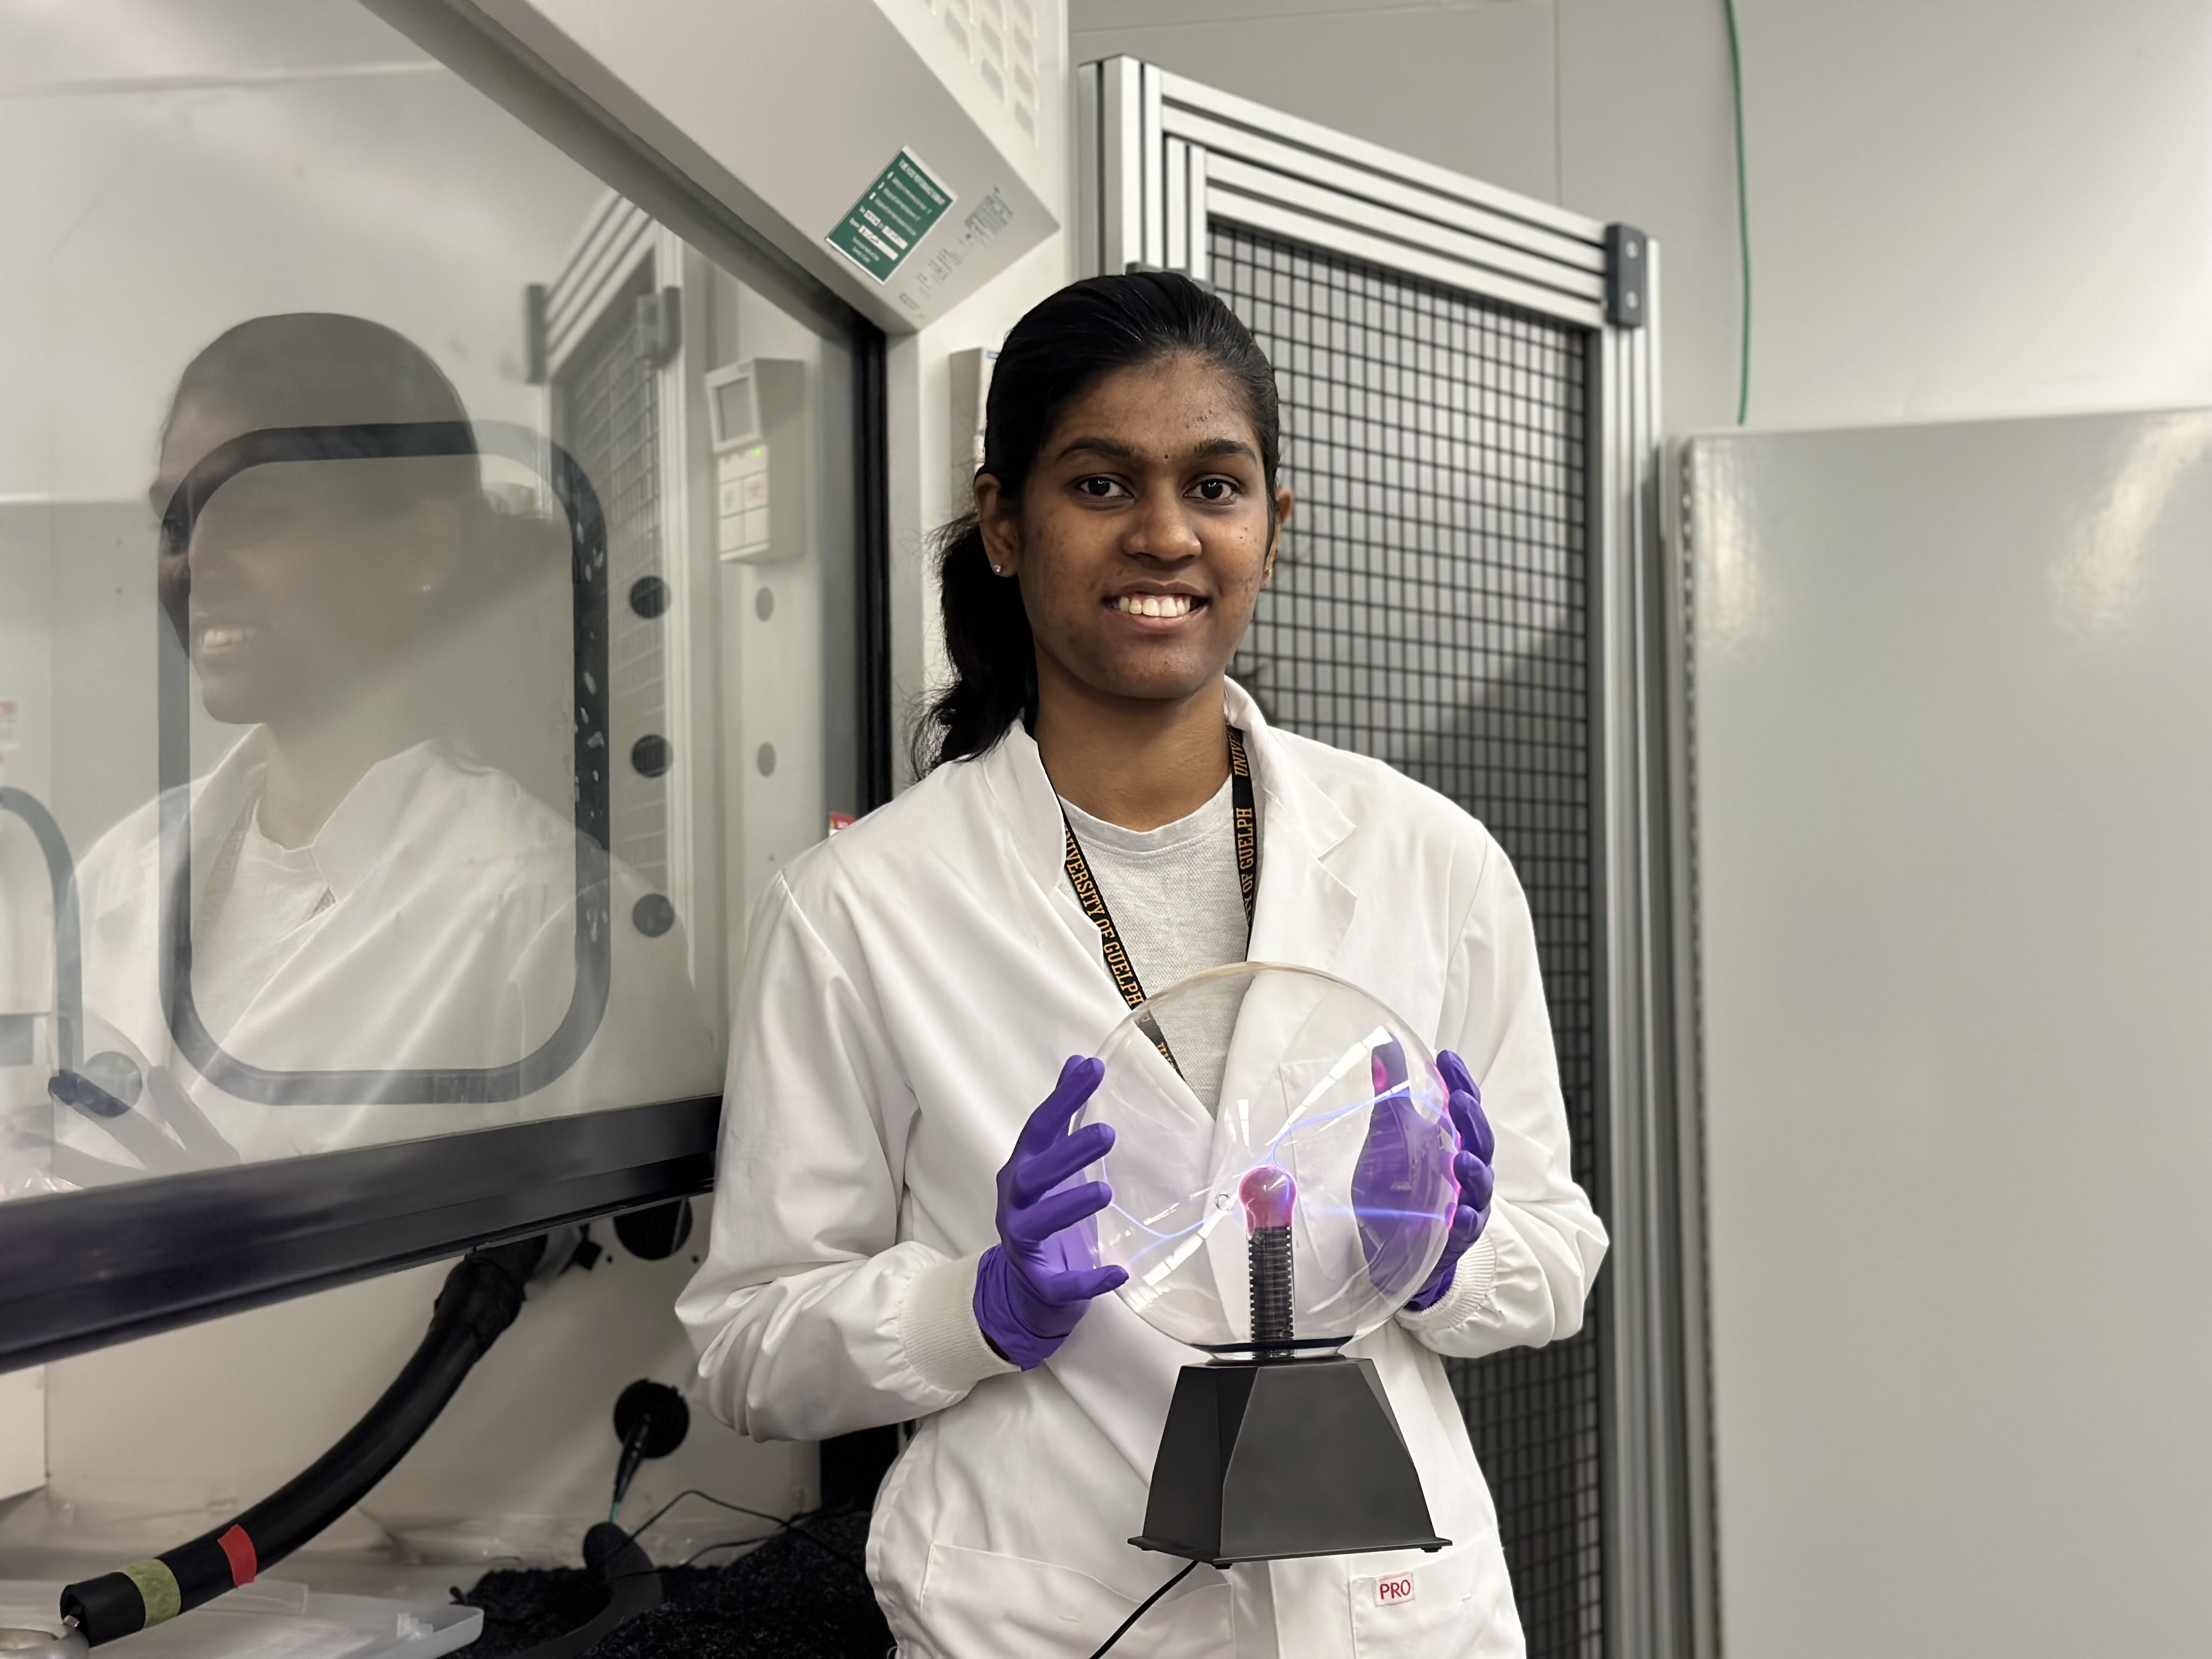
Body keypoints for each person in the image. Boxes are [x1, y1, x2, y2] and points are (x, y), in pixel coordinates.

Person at [678, 273, 1606, 1658]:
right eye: (1101, 486)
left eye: (1215, 487)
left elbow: (1558, 1257)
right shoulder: (858, 908)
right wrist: (975, 1304)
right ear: (1003, 523)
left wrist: (1450, 1252)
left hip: (1388, 1613)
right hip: (1051, 1611)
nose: (1166, 533)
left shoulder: (1433, 862)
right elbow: (746, 1346)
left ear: (1272, 529)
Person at [45, 313, 713, 1181]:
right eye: (175, 525)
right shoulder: (118, 874)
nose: (194, 562)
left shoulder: (558, 927)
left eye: (258, 515)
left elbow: (624, 1293)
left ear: (423, 547)